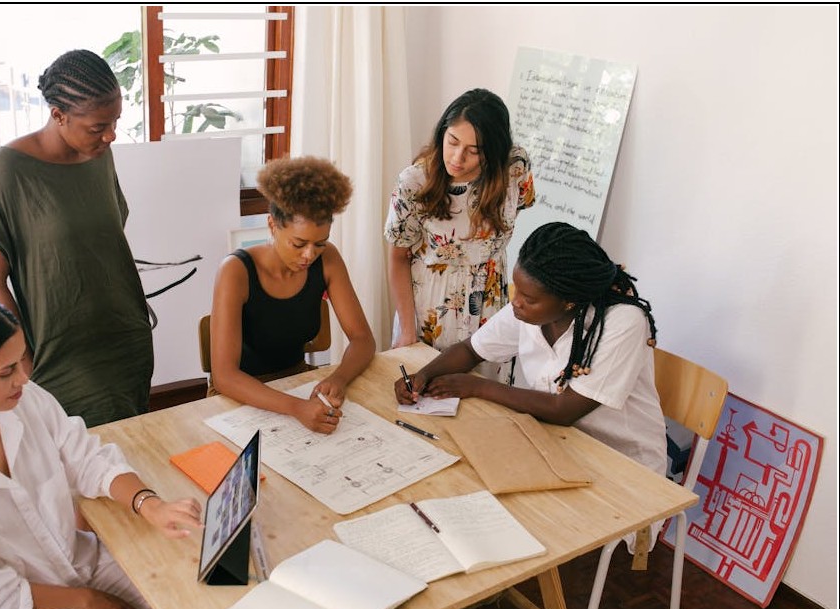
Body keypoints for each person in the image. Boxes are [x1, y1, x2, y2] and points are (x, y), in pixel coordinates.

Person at [0, 292, 203, 609]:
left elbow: (86, 457)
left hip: (74, 563)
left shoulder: (24, 399)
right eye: (6, 372)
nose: (23, 377)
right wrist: (86, 600)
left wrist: (149, 504)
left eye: (21, 360)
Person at [395, 221, 666, 478]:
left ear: (569, 301)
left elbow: (564, 409)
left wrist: (477, 386)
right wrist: (423, 375)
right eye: (518, 291)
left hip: (624, 465)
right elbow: (471, 350)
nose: (516, 302)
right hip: (559, 444)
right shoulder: (529, 310)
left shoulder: (623, 322)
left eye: (528, 298)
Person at [0, 49, 153, 428]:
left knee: (131, 445)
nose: (110, 135)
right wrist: (22, 361)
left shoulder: (99, 154)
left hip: (125, 338)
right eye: (98, 127)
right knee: (76, 451)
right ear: (58, 115)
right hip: (60, 354)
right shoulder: (8, 172)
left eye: (115, 121)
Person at [209, 156, 375, 434]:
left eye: (319, 243)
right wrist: (297, 408)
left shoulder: (328, 259)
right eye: (298, 244)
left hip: (297, 382)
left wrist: (339, 379)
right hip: (240, 395)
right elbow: (224, 376)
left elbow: (362, 339)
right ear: (272, 225)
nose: (309, 255)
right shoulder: (236, 271)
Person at [384, 88, 535, 380]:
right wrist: (407, 330)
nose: (457, 157)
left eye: (473, 150)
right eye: (452, 141)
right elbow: (398, 257)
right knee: (426, 391)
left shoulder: (514, 168)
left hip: (490, 306)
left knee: (486, 396)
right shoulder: (414, 182)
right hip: (431, 310)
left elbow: (516, 210)